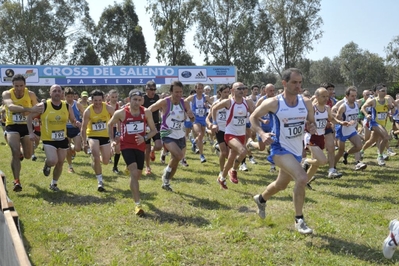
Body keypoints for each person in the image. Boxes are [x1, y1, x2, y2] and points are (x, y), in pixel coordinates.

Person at [250, 68, 316, 234]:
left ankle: (261, 199)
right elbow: (253, 117)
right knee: (302, 178)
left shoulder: (306, 102)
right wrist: (262, 133)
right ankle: (299, 220)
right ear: (284, 83)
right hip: (279, 149)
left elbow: (311, 122)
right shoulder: (274, 102)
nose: (298, 86)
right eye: (294, 82)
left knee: (281, 184)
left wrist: (311, 126)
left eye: (300, 82)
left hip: (296, 150)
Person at [108, 89, 158, 216]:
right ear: (129, 100)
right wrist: (113, 140)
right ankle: (137, 205)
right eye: (134, 99)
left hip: (140, 145)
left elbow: (154, 131)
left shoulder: (146, 112)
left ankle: (129, 168)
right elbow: (110, 124)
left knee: (138, 175)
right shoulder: (121, 113)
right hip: (126, 145)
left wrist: (145, 138)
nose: (137, 102)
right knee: (134, 174)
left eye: (139, 100)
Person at [27, 85, 80, 191]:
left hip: (62, 138)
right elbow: (29, 117)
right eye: (54, 91)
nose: (57, 93)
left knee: (60, 162)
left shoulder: (66, 106)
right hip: (48, 139)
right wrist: (31, 133)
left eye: (59, 91)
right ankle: (47, 163)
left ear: (62, 93)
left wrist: (76, 123)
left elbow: (73, 120)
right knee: (53, 161)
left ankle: (54, 184)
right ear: (50, 93)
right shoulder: (43, 106)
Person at [148, 81, 194, 191]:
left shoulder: (185, 103)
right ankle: (166, 173)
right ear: (171, 92)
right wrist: (150, 124)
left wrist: (191, 117)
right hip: (167, 133)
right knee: (178, 156)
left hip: (180, 135)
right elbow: (148, 110)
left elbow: (192, 119)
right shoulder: (164, 102)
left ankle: (166, 182)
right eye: (176, 92)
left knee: (176, 161)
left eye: (180, 92)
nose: (178, 94)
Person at [2, 74, 42, 192]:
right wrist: (28, 110)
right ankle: (16, 181)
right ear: (12, 85)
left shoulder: (30, 94)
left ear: (25, 85)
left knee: (28, 155)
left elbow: (37, 108)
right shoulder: (7, 94)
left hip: (26, 126)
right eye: (16, 86)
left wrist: (32, 115)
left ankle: (21, 151)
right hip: (12, 126)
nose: (19, 88)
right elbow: (11, 106)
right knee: (14, 152)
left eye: (21, 86)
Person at [211, 82, 255, 189]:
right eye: (239, 88)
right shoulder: (228, 102)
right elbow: (214, 109)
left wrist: (262, 120)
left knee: (231, 159)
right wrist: (214, 123)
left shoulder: (247, 102)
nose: (242, 90)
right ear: (233, 91)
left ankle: (221, 178)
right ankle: (234, 170)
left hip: (241, 134)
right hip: (230, 134)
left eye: (243, 88)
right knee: (243, 151)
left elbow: (255, 113)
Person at [81, 90, 115, 192]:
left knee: (105, 161)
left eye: (100, 100)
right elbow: (83, 127)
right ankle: (100, 182)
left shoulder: (108, 108)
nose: (98, 103)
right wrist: (84, 142)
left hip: (105, 136)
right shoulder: (88, 111)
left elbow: (117, 119)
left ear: (103, 99)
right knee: (96, 156)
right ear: (92, 100)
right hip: (92, 135)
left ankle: (95, 163)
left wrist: (115, 135)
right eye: (95, 100)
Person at [334, 86, 367, 171]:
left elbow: (366, 99)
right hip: (343, 130)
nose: (354, 98)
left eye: (355, 95)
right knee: (340, 151)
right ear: (347, 96)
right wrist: (343, 122)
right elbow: (337, 119)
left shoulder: (357, 104)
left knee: (359, 146)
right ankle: (333, 166)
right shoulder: (343, 107)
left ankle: (347, 153)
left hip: (351, 129)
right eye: (352, 96)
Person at [360, 84, 392, 166]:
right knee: (386, 137)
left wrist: (390, 111)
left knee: (372, 140)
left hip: (382, 124)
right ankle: (380, 156)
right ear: (377, 92)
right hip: (374, 123)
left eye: (386, 91)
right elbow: (362, 108)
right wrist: (367, 115)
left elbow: (389, 109)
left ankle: (361, 151)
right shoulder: (373, 101)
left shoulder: (387, 100)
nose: (385, 92)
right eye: (383, 91)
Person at [184, 83, 213, 163]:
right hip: (195, 119)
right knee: (199, 134)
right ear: (195, 89)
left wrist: (208, 106)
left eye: (201, 88)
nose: (200, 90)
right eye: (198, 88)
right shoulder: (193, 97)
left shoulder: (205, 97)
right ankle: (202, 155)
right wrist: (189, 110)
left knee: (201, 137)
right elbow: (184, 101)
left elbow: (213, 104)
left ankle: (194, 142)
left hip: (203, 118)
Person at [206, 85, 230, 177]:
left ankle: (228, 169)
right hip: (219, 129)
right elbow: (207, 118)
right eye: (225, 92)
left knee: (228, 154)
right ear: (220, 92)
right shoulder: (215, 104)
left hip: (230, 130)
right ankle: (221, 171)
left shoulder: (231, 103)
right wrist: (211, 124)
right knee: (224, 152)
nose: (227, 94)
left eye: (228, 92)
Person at [142, 81, 162, 175]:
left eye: (154, 89)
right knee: (147, 147)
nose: (153, 91)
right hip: (145, 126)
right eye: (151, 89)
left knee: (159, 146)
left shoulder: (157, 97)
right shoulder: (143, 99)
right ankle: (147, 167)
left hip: (156, 124)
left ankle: (152, 152)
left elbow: (161, 108)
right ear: (146, 90)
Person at [64, 87, 85, 173]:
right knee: (67, 150)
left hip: (75, 129)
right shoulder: (62, 105)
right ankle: (70, 166)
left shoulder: (77, 105)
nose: (70, 98)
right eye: (68, 96)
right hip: (65, 130)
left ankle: (73, 148)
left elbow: (85, 114)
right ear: (65, 96)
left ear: (74, 97)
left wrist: (83, 123)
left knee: (78, 148)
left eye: (71, 96)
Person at [107, 89, 122, 173]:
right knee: (109, 151)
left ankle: (115, 167)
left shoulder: (118, 105)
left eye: (116, 97)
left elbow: (119, 120)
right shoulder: (106, 105)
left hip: (115, 128)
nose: (114, 98)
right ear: (109, 97)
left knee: (118, 148)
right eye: (113, 97)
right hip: (108, 128)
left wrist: (119, 133)